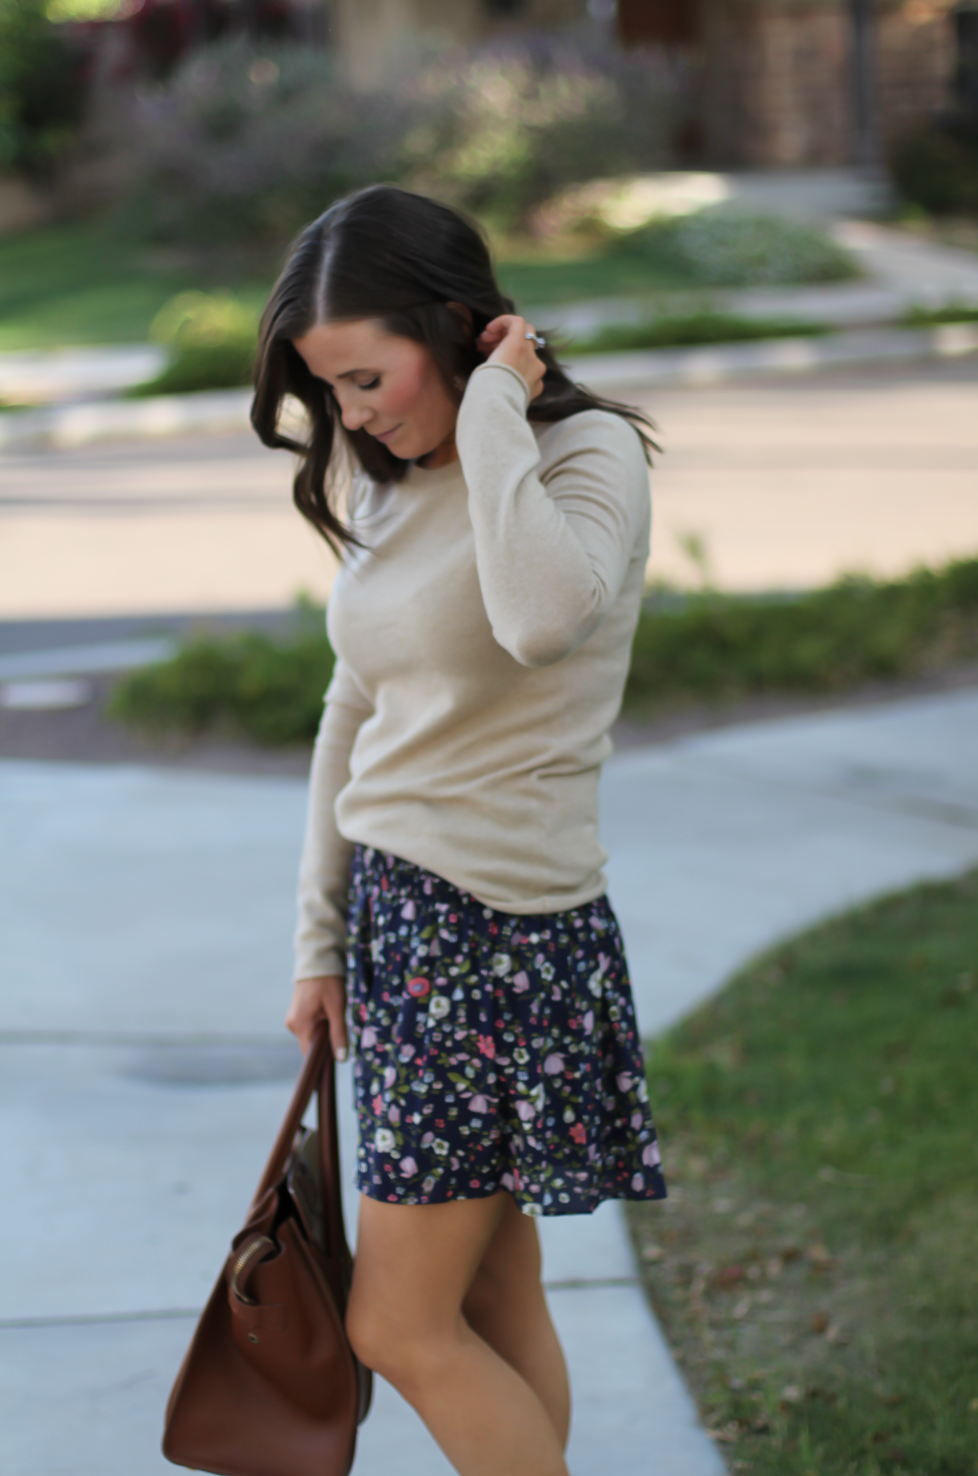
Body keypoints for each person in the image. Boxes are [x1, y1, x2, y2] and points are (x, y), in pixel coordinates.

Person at [252, 184, 667, 1476]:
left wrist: (498, 407)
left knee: (395, 1321)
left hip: (503, 936)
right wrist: (319, 940)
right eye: (331, 395)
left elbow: (538, 617)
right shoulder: (377, 480)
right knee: (487, 1301)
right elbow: (353, 709)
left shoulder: (581, 459)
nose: (355, 417)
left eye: (368, 379)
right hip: (400, 929)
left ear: (458, 330)